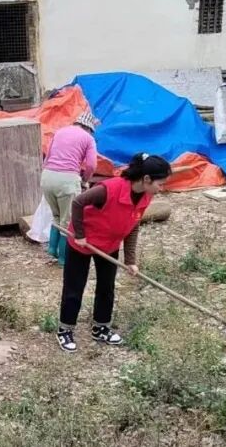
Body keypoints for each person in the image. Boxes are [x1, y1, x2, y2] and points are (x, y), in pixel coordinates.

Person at [57, 153, 171, 353]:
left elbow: (133, 225)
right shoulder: (108, 189)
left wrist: (131, 260)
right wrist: (80, 234)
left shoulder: (146, 196)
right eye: (160, 184)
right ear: (146, 179)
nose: (161, 188)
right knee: (75, 288)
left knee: (106, 288)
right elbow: (78, 203)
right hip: (83, 243)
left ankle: (101, 327)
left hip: (109, 245)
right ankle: (65, 330)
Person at [41, 111, 99, 266]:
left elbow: (47, 156)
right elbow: (92, 165)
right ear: (89, 128)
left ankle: (52, 249)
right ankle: (63, 258)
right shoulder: (88, 138)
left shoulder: (60, 132)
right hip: (67, 180)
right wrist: (84, 180)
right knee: (68, 221)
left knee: (57, 216)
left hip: (47, 177)